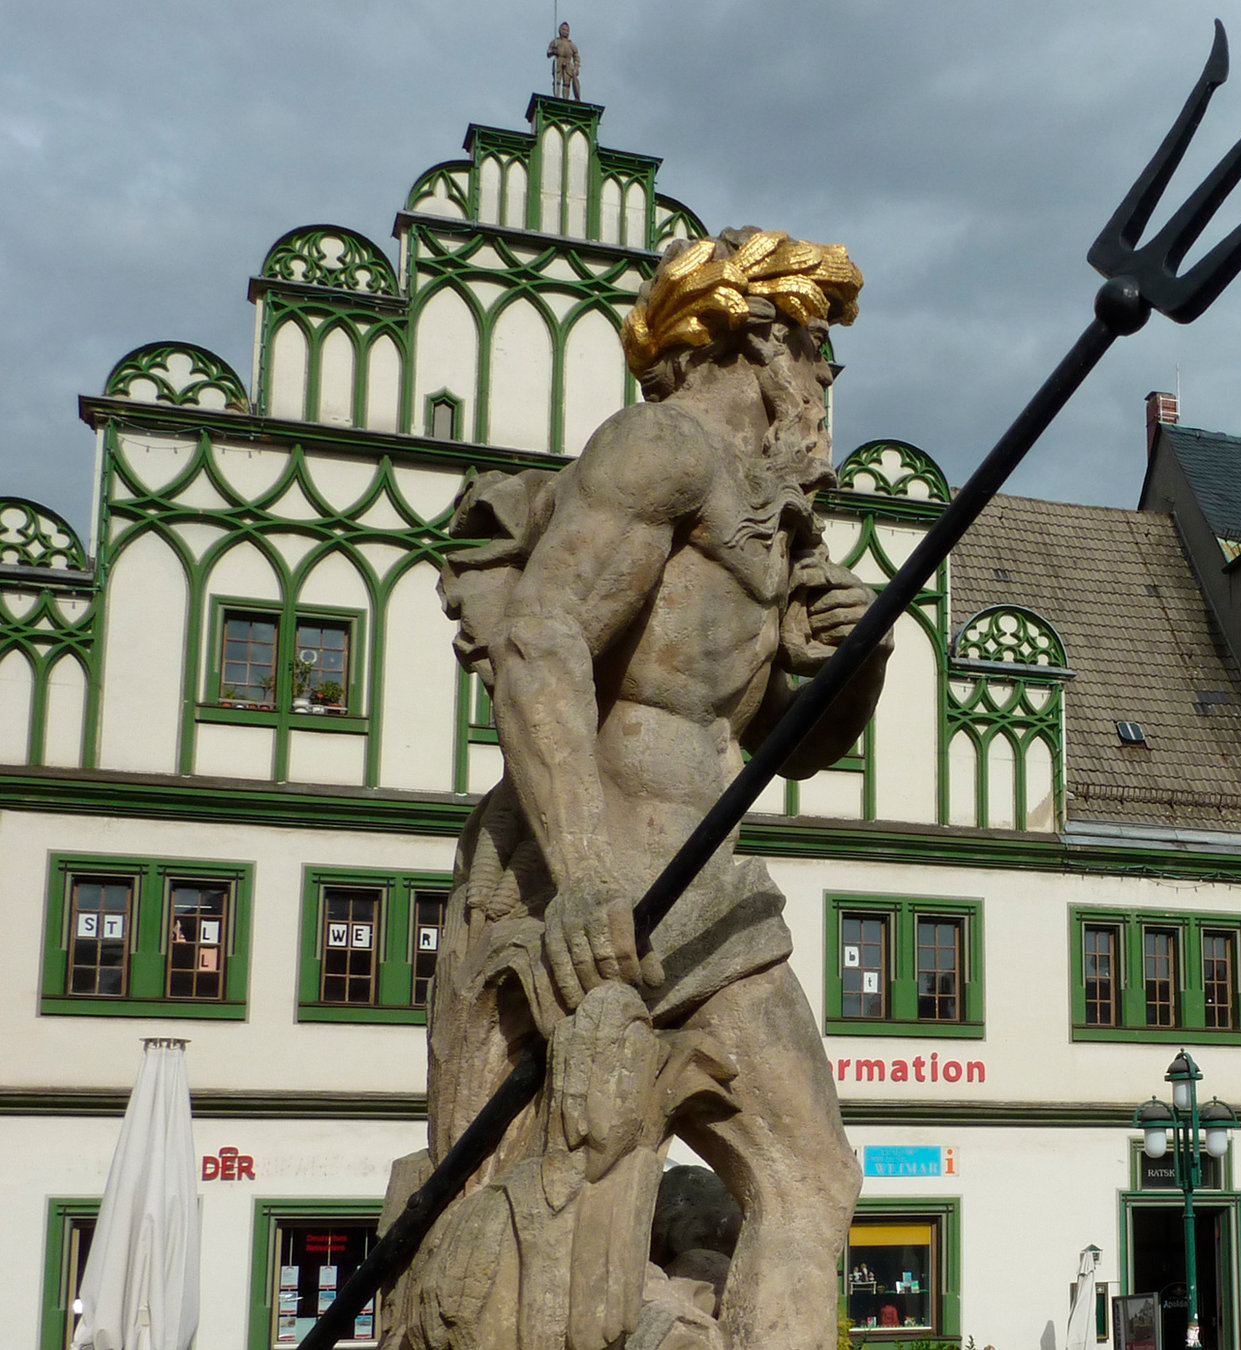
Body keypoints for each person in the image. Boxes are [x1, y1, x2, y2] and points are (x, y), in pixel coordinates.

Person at [386, 227, 879, 1350]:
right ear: (760, 341)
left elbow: (788, 749)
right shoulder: (658, 447)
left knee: (810, 1175)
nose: (822, 384)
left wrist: (853, 664)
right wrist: (585, 876)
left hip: (710, 899)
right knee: (550, 1209)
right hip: (590, 883)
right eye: (817, 352)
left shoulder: (776, 523)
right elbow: (545, 639)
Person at [548, 21, 582, 100]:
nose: (565, 32)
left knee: (567, 83)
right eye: (563, 30)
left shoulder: (572, 45)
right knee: (557, 81)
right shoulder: (556, 42)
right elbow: (549, 52)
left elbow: (576, 58)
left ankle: (565, 99)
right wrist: (554, 51)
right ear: (560, 30)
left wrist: (576, 67)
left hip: (568, 64)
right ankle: (556, 96)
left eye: (567, 30)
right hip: (558, 62)